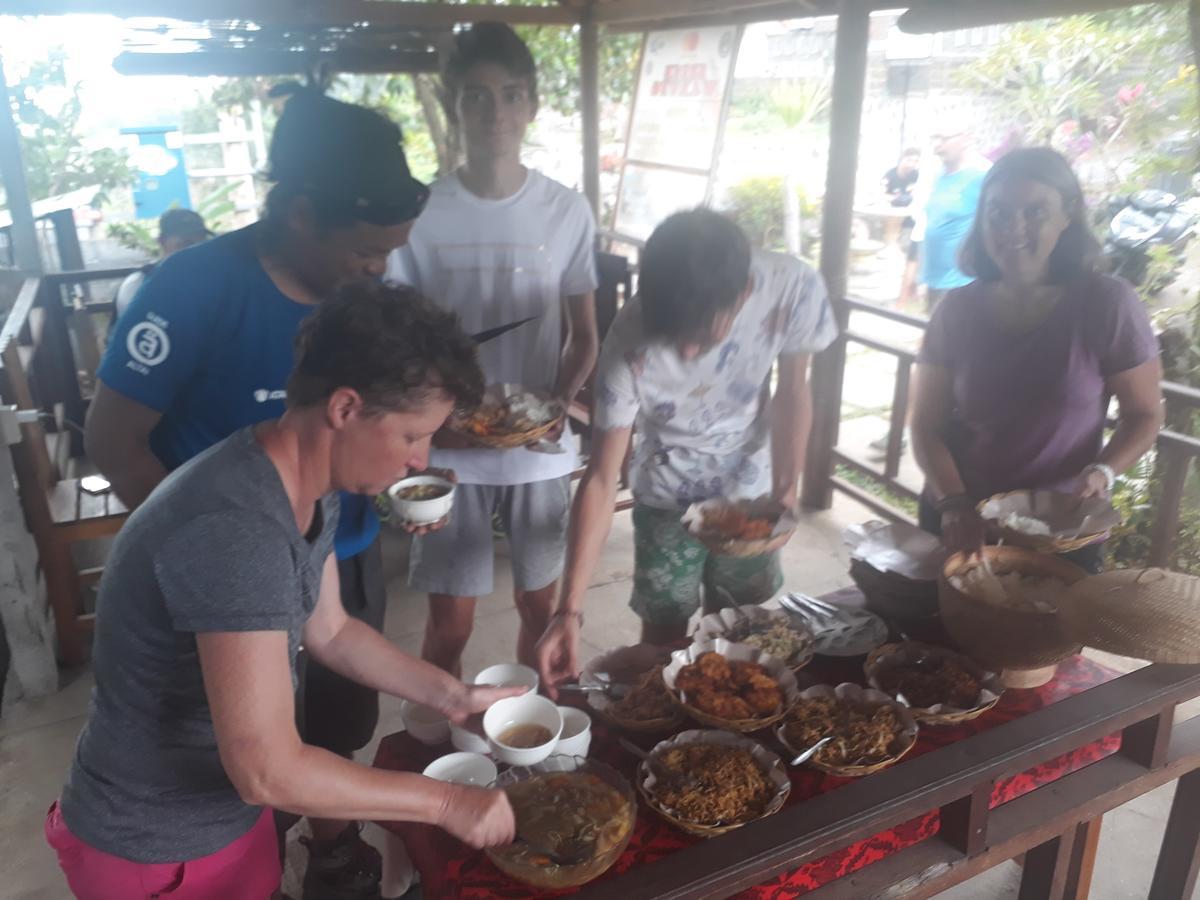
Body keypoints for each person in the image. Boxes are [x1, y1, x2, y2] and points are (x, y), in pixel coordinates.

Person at [47, 284, 523, 900]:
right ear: (346, 408)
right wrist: (446, 802)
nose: (419, 459)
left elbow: (330, 630)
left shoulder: (300, 478)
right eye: (411, 436)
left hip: (225, 816)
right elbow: (265, 768)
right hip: (155, 847)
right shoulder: (236, 530)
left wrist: (453, 694)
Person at [86, 87, 429, 898]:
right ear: (303, 214)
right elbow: (110, 439)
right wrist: (212, 559)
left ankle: (330, 850)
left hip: (332, 548)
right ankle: (261, 850)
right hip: (228, 573)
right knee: (246, 753)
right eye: (366, 253)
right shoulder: (194, 288)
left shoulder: (356, 307)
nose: (379, 272)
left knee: (336, 720)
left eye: (390, 254)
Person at [534, 209, 837, 693]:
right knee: (663, 634)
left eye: (702, 336)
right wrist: (568, 609)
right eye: (674, 338)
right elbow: (601, 475)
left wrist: (785, 491)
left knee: (743, 630)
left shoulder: (791, 286)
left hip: (751, 495)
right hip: (665, 494)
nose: (688, 355)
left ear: (742, 296)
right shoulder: (629, 342)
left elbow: (794, 390)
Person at [387, 22, 599, 678]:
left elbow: (584, 334)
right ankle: (437, 749)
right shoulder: (421, 211)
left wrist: (561, 400)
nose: (496, 112)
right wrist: (426, 430)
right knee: (450, 622)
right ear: (455, 106)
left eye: (511, 95)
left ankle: (536, 734)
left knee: (541, 608)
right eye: (476, 96)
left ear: (532, 105)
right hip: (450, 448)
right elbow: (396, 339)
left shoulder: (566, 210)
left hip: (536, 448)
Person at [910, 147, 1164, 573]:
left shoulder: (1107, 303)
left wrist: (1103, 471)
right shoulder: (956, 310)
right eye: (999, 213)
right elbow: (925, 424)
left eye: (1035, 212)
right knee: (940, 635)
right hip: (963, 519)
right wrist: (954, 503)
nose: (1015, 227)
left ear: (1067, 216)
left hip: (1062, 526)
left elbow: (1145, 414)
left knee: (1050, 639)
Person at [919, 128, 988, 311]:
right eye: (935, 138)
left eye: (944, 138)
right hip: (935, 278)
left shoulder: (981, 177)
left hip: (962, 281)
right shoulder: (938, 176)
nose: (937, 146)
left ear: (966, 139)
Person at [114, 208, 213, 319]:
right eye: (186, 244)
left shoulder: (210, 282)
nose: (195, 251)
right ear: (162, 242)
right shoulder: (137, 285)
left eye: (202, 244)